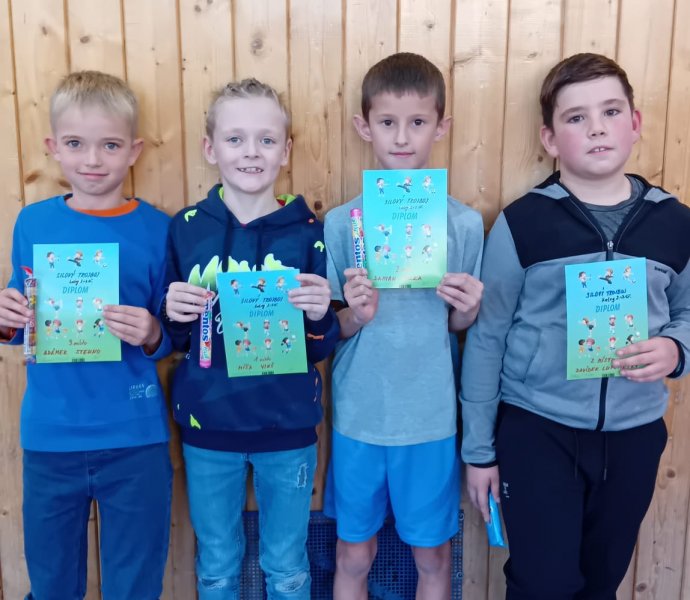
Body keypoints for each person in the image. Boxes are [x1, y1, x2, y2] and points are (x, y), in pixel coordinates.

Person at [461, 53, 690, 600]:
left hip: (635, 435)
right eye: (576, 117)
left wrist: (675, 348)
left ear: (635, 123)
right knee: (542, 584)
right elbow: (488, 337)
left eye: (611, 111)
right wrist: (478, 451)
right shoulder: (522, 222)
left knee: (600, 582)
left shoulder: (675, 223)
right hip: (537, 431)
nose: (597, 128)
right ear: (549, 138)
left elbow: (687, 313)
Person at [162, 78, 339, 599]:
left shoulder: (310, 233)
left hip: (288, 429)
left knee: (287, 566)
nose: (251, 152)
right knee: (217, 565)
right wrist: (172, 313)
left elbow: (319, 346)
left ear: (286, 150)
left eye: (266, 139)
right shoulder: (186, 228)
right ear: (209, 148)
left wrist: (319, 316)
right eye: (235, 139)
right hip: (207, 427)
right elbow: (174, 338)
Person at [0, 71, 173, 600]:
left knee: (134, 586)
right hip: (51, 437)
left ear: (134, 151)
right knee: (52, 584)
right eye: (75, 143)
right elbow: (20, 322)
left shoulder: (159, 228)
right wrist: (6, 317)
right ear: (53, 147)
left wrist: (152, 331)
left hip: (135, 437)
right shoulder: (32, 223)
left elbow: (176, 332)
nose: (93, 159)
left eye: (110, 145)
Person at [324, 52, 484, 599]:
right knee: (352, 552)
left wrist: (468, 308)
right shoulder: (341, 223)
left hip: (430, 418)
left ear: (441, 127)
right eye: (387, 121)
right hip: (359, 415)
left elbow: (459, 325)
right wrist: (354, 312)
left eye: (417, 122)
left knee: (433, 555)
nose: (401, 137)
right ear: (363, 126)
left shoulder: (463, 225)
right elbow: (330, 329)